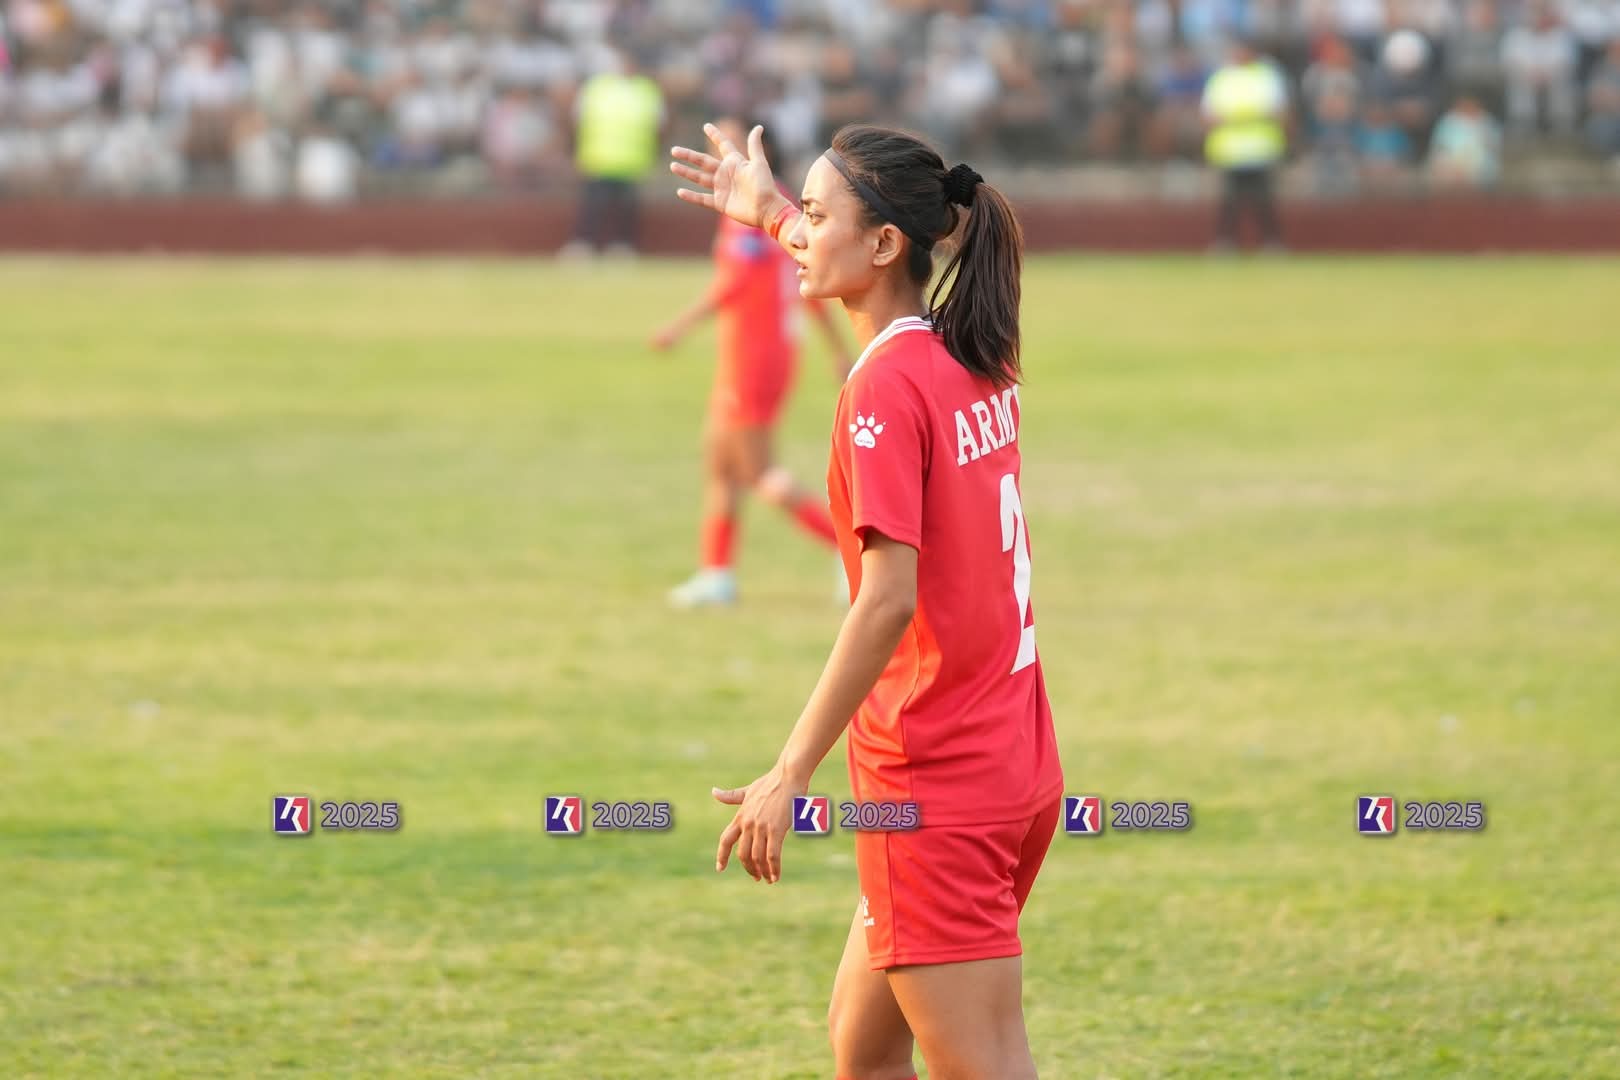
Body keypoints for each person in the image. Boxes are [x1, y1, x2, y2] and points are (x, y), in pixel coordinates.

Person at [670, 121, 1065, 1079]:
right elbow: (843, 252)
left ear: (885, 243)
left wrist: (789, 769)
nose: (800, 234)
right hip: (1013, 759)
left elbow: (887, 601)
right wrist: (771, 209)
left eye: (817, 216)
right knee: (865, 1050)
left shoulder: (882, 391)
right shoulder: (973, 349)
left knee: (984, 1062)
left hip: (935, 784)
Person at [654, 121, 854, 608]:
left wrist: (678, 327)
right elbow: (807, 283)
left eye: (728, 138)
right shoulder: (777, 202)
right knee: (720, 461)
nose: (717, 148)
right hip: (762, 353)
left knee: (757, 469)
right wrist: (836, 348)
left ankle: (847, 548)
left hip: (753, 356)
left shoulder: (753, 205)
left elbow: (736, 284)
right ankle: (717, 573)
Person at [1202, 36, 1289, 251]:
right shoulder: (1221, 77)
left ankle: (1271, 242)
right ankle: (1225, 242)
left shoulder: (1266, 76)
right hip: (1230, 151)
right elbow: (1209, 115)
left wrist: (1239, 119)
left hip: (1261, 149)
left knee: (1263, 201)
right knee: (1230, 203)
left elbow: (1280, 112)